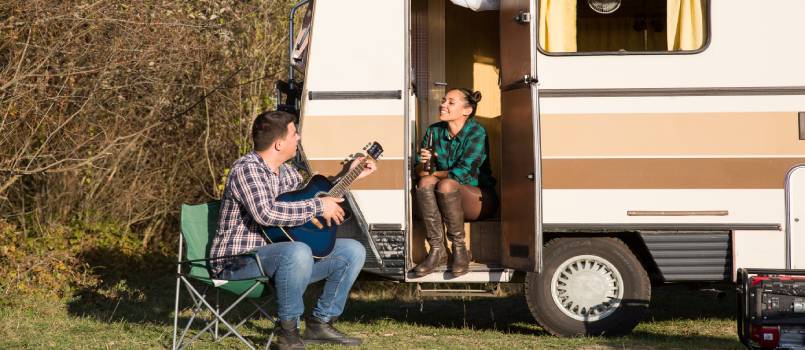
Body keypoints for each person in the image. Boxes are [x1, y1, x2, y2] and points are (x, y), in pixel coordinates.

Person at [209, 110, 376, 349]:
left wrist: (349, 175)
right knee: (297, 251)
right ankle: (288, 333)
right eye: (294, 133)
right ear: (278, 144)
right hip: (238, 261)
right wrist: (319, 206)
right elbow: (265, 214)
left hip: (282, 258)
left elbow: (311, 196)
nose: (298, 138)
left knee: (352, 251)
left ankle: (320, 322)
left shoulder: (287, 172)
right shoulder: (247, 169)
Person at [413, 88, 497, 277]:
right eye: (443, 100)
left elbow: (463, 173)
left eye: (451, 102)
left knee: (446, 184)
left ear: (467, 110)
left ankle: (460, 249)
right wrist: (425, 165)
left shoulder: (476, 132)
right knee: (426, 182)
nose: (443, 105)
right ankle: (437, 250)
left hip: (479, 200)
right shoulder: (433, 131)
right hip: (443, 199)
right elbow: (420, 171)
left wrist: (434, 172)